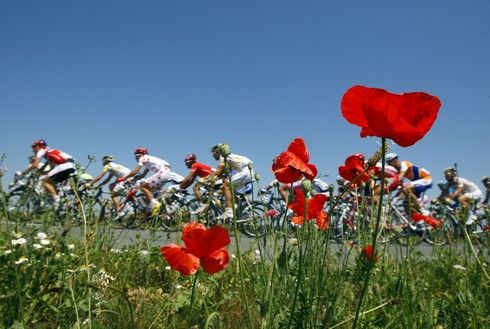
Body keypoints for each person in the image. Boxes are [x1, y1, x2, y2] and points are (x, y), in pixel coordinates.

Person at [117, 148, 184, 217]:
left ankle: (155, 204)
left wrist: (124, 178)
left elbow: (135, 171)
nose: (135, 158)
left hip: (161, 173)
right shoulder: (150, 160)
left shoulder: (142, 158)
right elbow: (142, 175)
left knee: (143, 186)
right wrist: (131, 180)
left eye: (136, 156)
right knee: (152, 193)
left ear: (139, 155)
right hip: (166, 173)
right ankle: (160, 212)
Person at [203, 144, 253, 220]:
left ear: (218, 152)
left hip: (245, 172)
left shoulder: (224, 157)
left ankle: (229, 210)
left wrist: (204, 181)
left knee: (225, 185)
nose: (213, 156)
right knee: (227, 188)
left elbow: (218, 171)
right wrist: (214, 180)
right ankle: (237, 208)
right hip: (248, 172)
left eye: (213, 153)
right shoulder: (231, 157)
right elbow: (222, 174)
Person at [21, 139, 76, 206]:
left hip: (65, 165)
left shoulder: (41, 151)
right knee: (53, 182)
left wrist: (25, 172)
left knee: (45, 182)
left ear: (38, 146)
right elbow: (51, 169)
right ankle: (63, 203)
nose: (33, 150)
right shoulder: (49, 151)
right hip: (71, 166)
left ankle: (57, 200)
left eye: (34, 147)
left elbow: (35, 165)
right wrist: (41, 173)